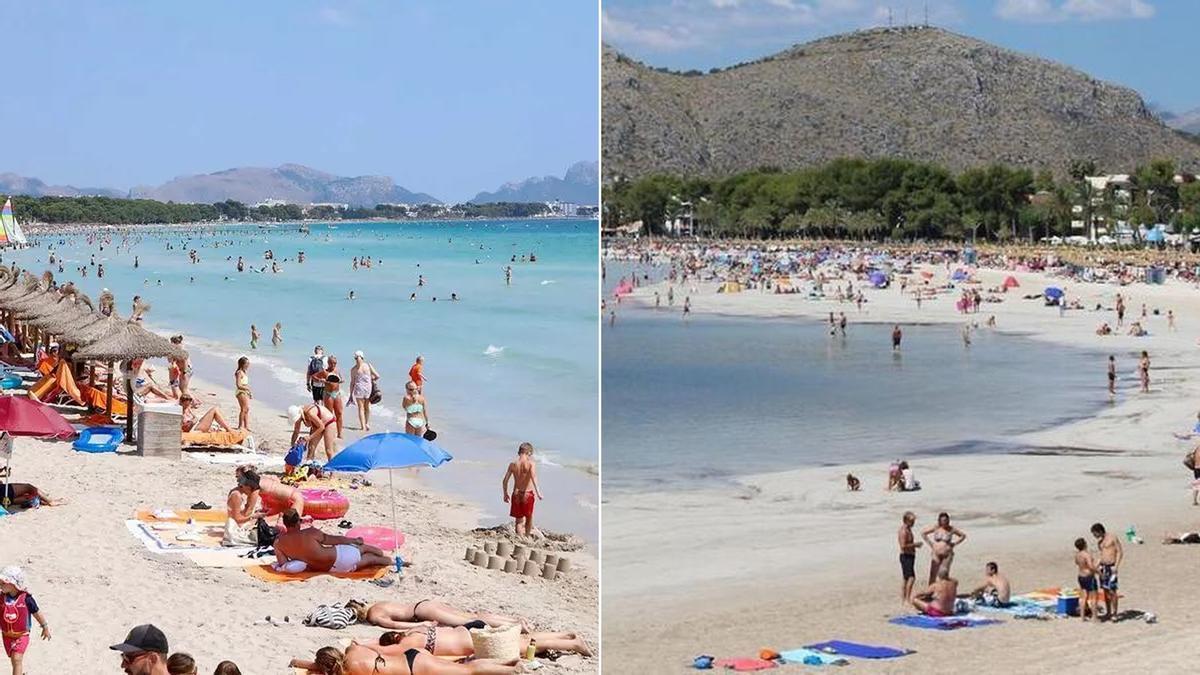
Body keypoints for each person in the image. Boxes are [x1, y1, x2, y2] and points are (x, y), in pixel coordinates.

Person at [272, 509, 392, 574]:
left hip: (331, 569)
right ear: (298, 521)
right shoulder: (310, 532)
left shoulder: (278, 543)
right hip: (341, 557)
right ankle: (389, 558)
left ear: (285, 523)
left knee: (370, 560)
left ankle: (390, 561)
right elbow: (335, 540)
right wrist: (354, 540)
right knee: (364, 549)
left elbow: (284, 565)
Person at [377, 626, 591, 659]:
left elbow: (384, 651)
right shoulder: (418, 629)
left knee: (524, 647)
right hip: (471, 632)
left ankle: (573, 645)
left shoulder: (408, 644)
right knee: (524, 638)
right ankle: (564, 635)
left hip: (477, 644)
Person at [291, 644, 517, 675]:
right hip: (412, 655)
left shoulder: (352, 672)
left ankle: (514, 671)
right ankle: (509, 662)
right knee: (465, 667)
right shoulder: (353, 649)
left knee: (469, 671)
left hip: (414, 669)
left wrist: (303, 664)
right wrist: (299, 661)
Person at [346, 599, 525, 631]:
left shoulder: (373, 615)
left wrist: (420, 625)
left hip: (421, 612)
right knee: (472, 614)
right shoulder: (377, 604)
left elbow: (395, 625)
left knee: (470, 621)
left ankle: (515, 625)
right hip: (423, 604)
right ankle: (515, 621)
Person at [1, 567, 49, 675]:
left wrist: (44, 626)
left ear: (13, 584)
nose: (0, 585)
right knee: (14, 660)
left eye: (3, 583)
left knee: (17, 658)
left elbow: (37, 612)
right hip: (6, 636)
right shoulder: (1, 598)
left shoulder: (26, 599)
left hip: (22, 635)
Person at [501, 442, 543, 537]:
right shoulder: (531, 464)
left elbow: (504, 481)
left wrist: (505, 493)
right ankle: (527, 537)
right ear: (529, 452)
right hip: (527, 494)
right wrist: (538, 493)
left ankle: (520, 539)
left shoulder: (513, 464)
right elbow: (534, 477)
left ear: (519, 452)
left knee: (519, 521)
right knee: (529, 518)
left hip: (516, 494)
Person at [922, 512, 966, 584]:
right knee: (933, 572)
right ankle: (930, 590)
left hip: (947, 553)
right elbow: (923, 533)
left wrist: (954, 543)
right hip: (936, 552)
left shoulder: (951, 529)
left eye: (946, 520)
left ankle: (944, 589)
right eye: (943, 520)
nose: (944, 522)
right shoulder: (936, 527)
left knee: (943, 572)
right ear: (939, 521)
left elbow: (963, 536)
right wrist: (930, 544)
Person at [1092, 523, 1123, 620]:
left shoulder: (1112, 537)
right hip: (1103, 567)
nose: (1094, 536)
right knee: (1105, 591)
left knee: (1112, 590)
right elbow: (1101, 556)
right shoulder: (1100, 542)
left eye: (1095, 533)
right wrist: (1094, 567)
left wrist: (1116, 566)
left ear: (1100, 531)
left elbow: (1119, 552)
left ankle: (1115, 613)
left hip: (1111, 566)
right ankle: (1108, 611)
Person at [350, 351, 381, 431]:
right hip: (368, 388)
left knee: (361, 408)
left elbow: (352, 383)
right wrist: (370, 379)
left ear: (355, 358)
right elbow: (377, 376)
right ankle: (366, 423)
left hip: (359, 389)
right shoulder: (368, 365)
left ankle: (362, 426)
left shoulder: (353, 369)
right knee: (367, 407)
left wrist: (350, 395)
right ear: (363, 357)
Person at [898, 512, 922, 606]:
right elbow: (903, 546)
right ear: (907, 520)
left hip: (909, 556)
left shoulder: (908, 529)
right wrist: (915, 545)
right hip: (906, 556)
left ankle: (904, 599)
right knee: (911, 578)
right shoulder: (904, 531)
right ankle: (907, 598)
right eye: (912, 521)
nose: (913, 523)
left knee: (906, 578)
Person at [1074, 538, 1099, 621]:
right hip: (1089, 576)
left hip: (1080, 576)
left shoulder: (1077, 555)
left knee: (1083, 597)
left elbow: (1077, 563)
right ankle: (1094, 617)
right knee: (1094, 597)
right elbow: (1091, 566)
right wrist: (1099, 573)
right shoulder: (1086, 555)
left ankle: (1082, 617)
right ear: (1085, 544)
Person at [322, 356, 345, 439]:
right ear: (328, 363)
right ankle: (328, 431)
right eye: (331, 362)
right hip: (328, 394)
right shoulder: (325, 371)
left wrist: (340, 380)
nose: (333, 364)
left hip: (337, 393)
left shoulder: (337, 370)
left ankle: (339, 433)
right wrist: (323, 381)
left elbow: (342, 379)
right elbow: (315, 377)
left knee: (339, 413)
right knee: (329, 415)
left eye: (334, 363)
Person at [234, 356, 251, 430]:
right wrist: (246, 388)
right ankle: (240, 426)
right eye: (247, 364)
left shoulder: (244, 372)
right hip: (241, 392)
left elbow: (245, 384)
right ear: (242, 364)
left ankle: (246, 426)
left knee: (247, 409)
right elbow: (238, 385)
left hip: (245, 392)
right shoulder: (239, 373)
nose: (248, 365)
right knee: (244, 409)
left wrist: (249, 392)